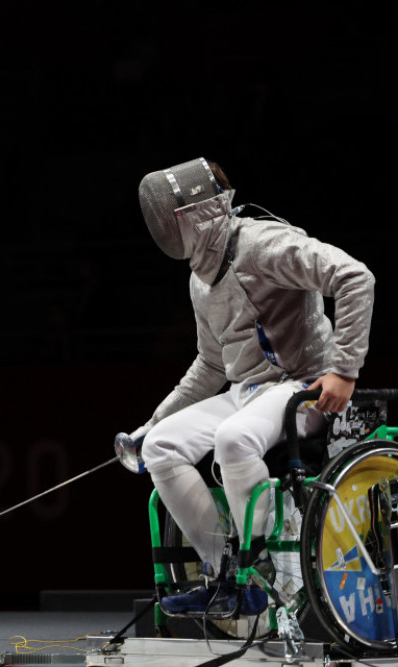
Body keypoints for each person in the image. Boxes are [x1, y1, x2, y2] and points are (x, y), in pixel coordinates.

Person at [115, 158, 374, 614]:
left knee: (233, 438)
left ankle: (263, 567)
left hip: (304, 387)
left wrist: (344, 369)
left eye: (171, 216)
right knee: (160, 446)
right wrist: (153, 422)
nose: (164, 227)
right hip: (247, 391)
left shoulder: (262, 243)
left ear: (199, 213)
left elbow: (354, 276)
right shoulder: (200, 279)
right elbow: (211, 363)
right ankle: (228, 577)